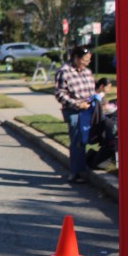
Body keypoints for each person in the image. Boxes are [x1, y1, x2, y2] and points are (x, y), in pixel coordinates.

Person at [54, 45, 95, 183]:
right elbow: (60, 94)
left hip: (89, 109)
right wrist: (77, 104)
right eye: (85, 60)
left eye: (89, 60)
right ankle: (77, 172)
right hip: (74, 111)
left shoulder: (87, 72)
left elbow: (91, 91)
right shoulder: (64, 72)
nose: (87, 62)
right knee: (77, 140)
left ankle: (83, 166)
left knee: (85, 139)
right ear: (76, 58)